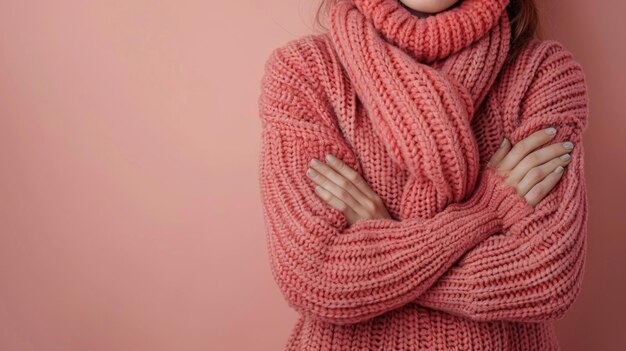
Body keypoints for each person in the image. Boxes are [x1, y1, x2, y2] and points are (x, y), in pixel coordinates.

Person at [257, 0, 590, 350]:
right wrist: (486, 211)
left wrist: (379, 256)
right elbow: (315, 277)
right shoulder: (304, 71)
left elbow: (547, 278)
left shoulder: (543, 72)